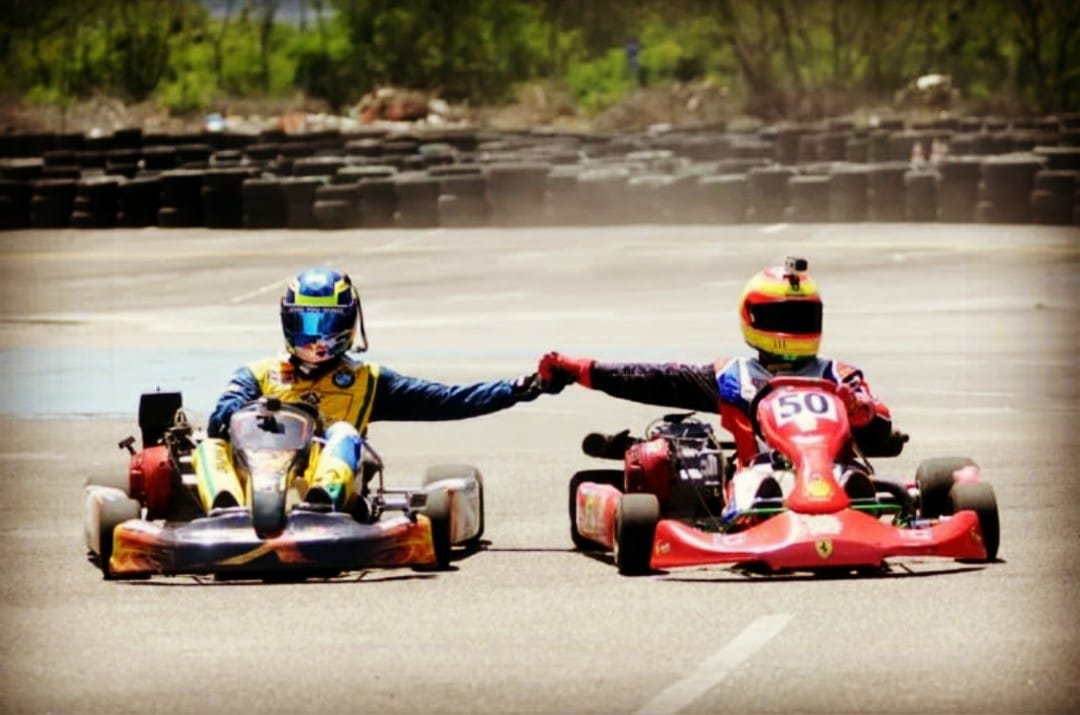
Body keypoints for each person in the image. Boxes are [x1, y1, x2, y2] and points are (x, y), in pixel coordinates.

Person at [194, 266, 554, 516]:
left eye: (327, 322)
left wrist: (521, 388)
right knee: (209, 446)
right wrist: (251, 413)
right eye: (306, 321)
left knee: (343, 432)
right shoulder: (256, 375)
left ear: (347, 323)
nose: (317, 335)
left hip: (330, 491)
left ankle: (321, 505)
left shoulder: (369, 380)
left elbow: (448, 400)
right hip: (255, 481)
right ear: (288, 321)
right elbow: (220, 417)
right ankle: (224, 509)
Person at [537, 257, 902, 475]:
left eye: (803, 315)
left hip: (837, 480)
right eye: (784, 315)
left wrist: (861, 413)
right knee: (673, 465)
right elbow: (657, 380)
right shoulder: (734, 377)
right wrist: (582, 369)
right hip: (760, 484)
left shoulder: (839, 376)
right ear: (753, 317)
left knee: (860, 481)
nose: (793, 326)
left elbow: (882, 435)